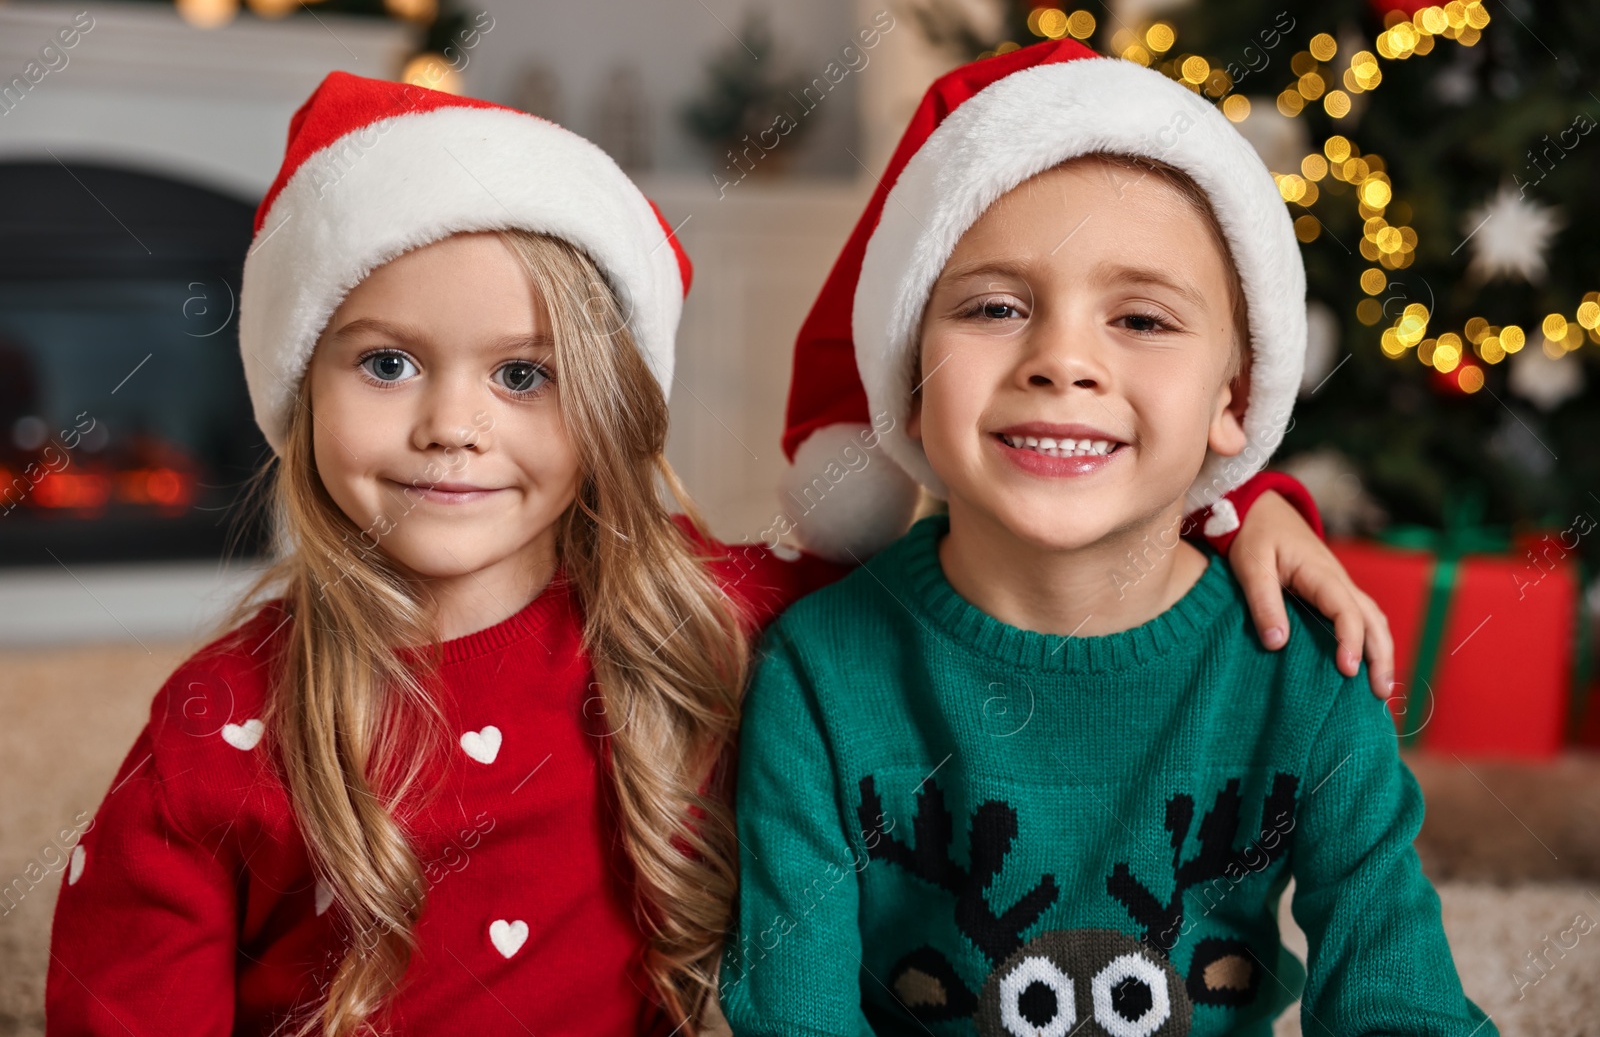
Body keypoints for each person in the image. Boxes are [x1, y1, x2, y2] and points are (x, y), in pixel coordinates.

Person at [47, 70, 1375, 1037]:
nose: (453, 424)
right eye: (386, 361)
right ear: (298, 388)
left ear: (612, 407)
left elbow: (1019, 562)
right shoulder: (220, 722)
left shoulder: (716, 617)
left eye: (525, 372)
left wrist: (1238, 507)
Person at [722, 41, 1490, 1036]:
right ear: (905, 380)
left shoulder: (1302, 666)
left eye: (1140, 317)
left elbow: (1402, 999)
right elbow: (798, 1015)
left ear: (1234, 398)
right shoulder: (815, 673)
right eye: (996, 308)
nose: (1062, 359)